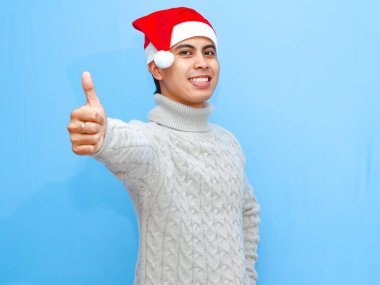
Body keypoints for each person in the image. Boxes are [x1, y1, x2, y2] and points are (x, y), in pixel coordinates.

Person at [67, 7, 260, 285]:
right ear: (157, 66)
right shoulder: (152, 142)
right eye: (185, 52)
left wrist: (247, 277)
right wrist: (101, 133)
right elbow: (126, 143)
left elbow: (247, 213)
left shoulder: (229, 142)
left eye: (209, 52)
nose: (202, 62)